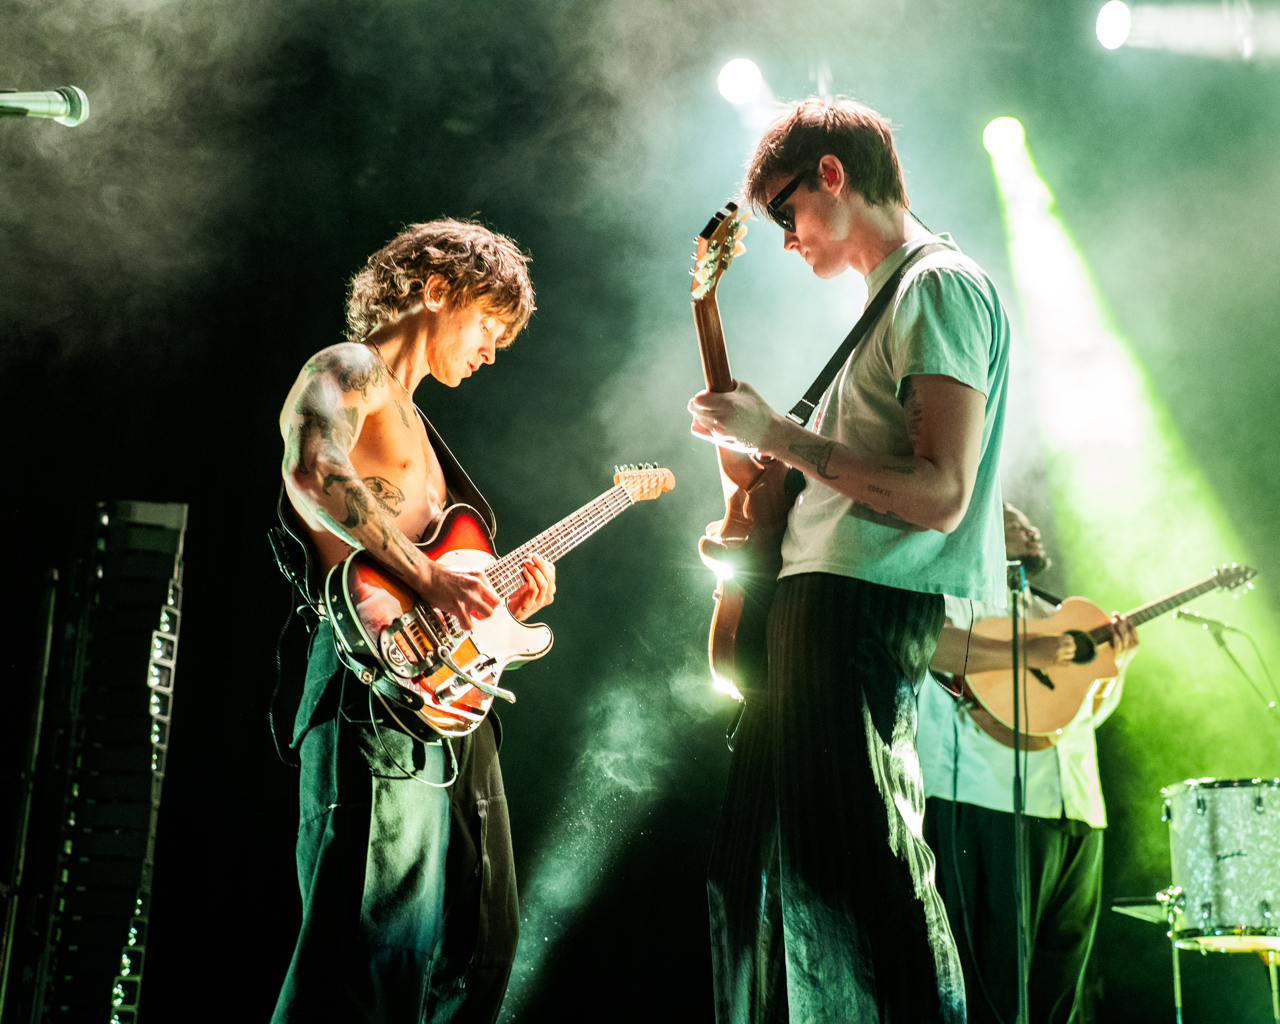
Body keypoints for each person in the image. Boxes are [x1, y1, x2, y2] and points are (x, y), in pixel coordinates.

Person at [688, 97, 1012, 1023]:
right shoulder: (889, 301)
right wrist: (762, 457)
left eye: (786, 213)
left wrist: (784, 438)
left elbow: (940, 489)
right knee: (774, 890)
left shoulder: (937, 286)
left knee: (865, 881)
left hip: (861, 607)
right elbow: (806, 484)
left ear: (831, 173)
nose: (786, 239)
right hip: (818, 603)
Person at [272, 219, 555, 1023]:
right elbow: (313, 467)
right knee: (366, 949)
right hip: (367, 695)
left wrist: (494, 612)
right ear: (436, 290)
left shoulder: (426, 434)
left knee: (476, 943)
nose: (494, 350)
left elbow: (429, 581)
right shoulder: (348, 368)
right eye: (488, 325)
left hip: (441, 703)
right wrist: (430, 575)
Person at [919, 503, 1139, 1024]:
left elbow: (1080, 715)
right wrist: (1027, 655)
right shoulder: (954, 593)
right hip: (988, 799)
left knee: (1059, 992)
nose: (1031, 527)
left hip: (1078, 809)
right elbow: (928, 644)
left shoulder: (1054, 612)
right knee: (993, 991)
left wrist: (1115, 672)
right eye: (1013, 519)